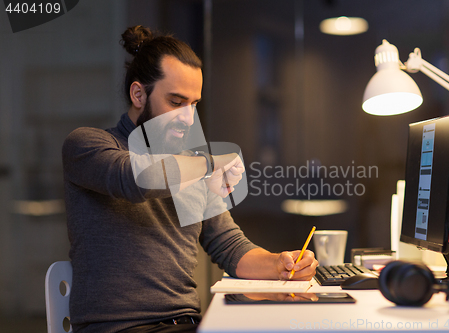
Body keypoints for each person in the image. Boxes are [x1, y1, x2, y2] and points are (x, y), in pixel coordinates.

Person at [62, 25, 318, 333]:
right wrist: (209, 163)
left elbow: (230, 245)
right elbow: (137, 179)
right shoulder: (87, 145)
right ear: (139, 94)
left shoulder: (191, 165)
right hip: (120, 328)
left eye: (193, 104)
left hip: (188, 323)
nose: (188, 117)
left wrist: (279, 264)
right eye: (176, 101)